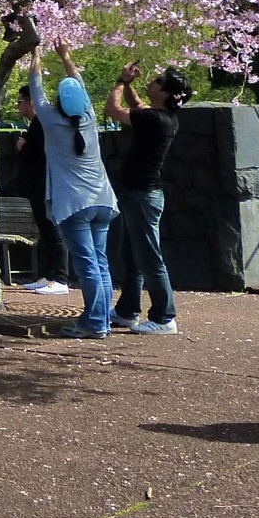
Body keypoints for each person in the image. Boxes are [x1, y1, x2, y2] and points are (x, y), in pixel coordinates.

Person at [29, 43, 118, 339]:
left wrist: (36, 55)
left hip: (74, 204)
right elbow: (79, 85)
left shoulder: (51, 121)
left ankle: (95, 323)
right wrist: (66, 56)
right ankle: (100, 319)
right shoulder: (90, 118)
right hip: (104, 201)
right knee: (100, 263)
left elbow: (35, 88)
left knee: (88, 265)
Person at [105, 61, 191, 334]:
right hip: (139, 194)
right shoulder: (161, 117)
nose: (152, 82)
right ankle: (127, 311)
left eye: (157, 81)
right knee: (132, 255)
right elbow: (139, 105)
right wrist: (130, 86)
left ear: (165, 93)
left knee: (150, 258)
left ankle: (165, 317)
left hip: (143, 195)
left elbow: (112, 110)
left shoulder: (154, 119)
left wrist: (120, 81)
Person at [13, 83, 71, 297]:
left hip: (45, 184)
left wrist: (23, 146)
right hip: (36, 186)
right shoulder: (37, 124)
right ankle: (48, 275)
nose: (19, 107)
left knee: (53, 230)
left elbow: (43, 153)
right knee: (45, 232)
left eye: (20, 102)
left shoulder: (43, 124)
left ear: (30, 103)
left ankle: (62, 278)